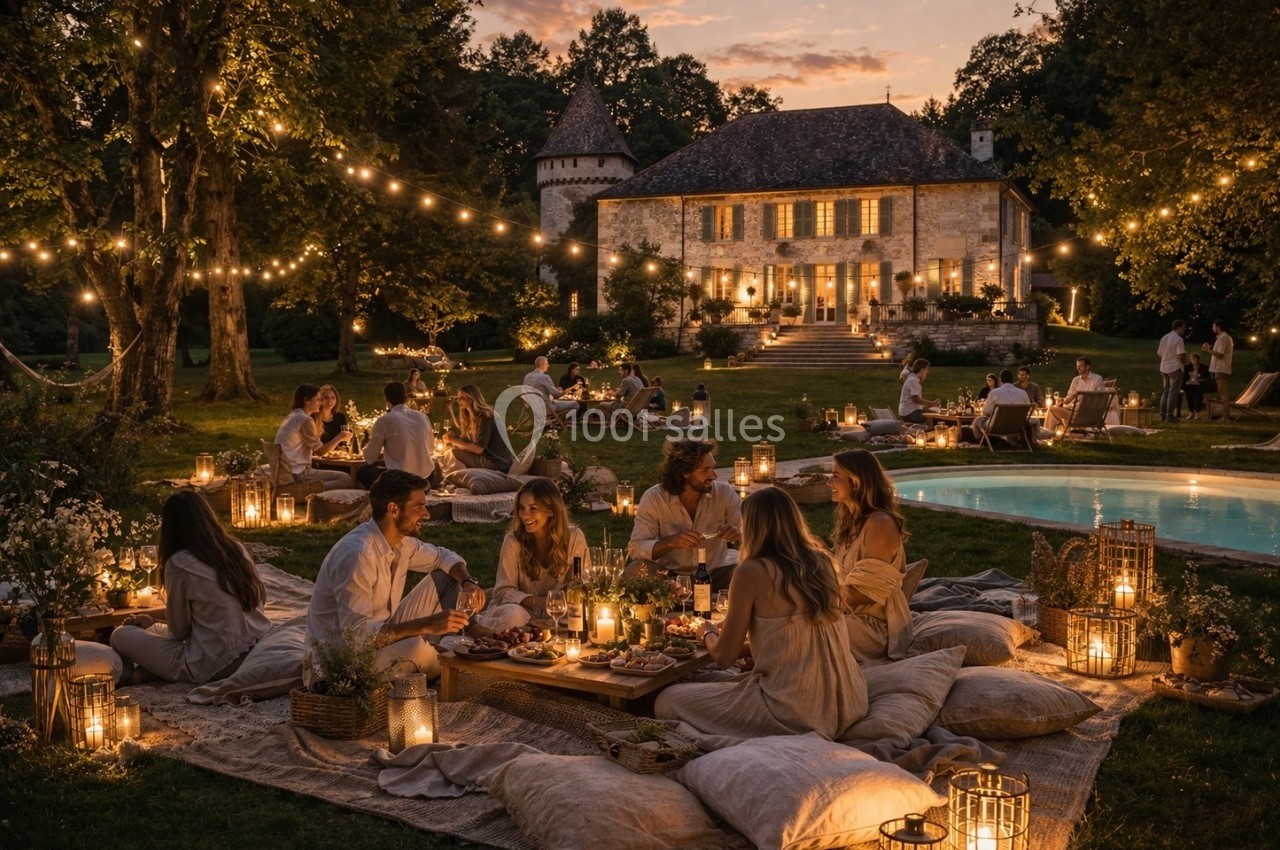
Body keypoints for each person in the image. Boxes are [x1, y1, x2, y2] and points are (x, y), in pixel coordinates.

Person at [654, 488, 867, 739]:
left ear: (752, 526)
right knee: (711, 680)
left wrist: (707, 632)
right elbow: (797, 639)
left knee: (669, 698)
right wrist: (754, 649)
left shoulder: (752, 572)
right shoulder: (822, 563)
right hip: (850, 701)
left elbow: (724, 656)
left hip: (797, 713)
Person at [305, 469, 479, 679]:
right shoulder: (358, 555)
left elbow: (444, 557)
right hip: (342, 661)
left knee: (447, 577)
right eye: (419, 507)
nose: (427, 514)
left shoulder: (401, 543)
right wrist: (425, 625)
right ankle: (454, 663)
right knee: (417, 649)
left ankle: (449, 651)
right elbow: (357, 638)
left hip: (379, 638)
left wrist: (469, 582)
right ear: (393, 509)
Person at [111, 493, 271, 684]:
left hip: (213, 664)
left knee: (121, 634)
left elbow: (180, 632)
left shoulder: (179, 563)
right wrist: (153, 621)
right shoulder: (236, 549)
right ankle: (152, 668)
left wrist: (157, 623)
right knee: (152, 629)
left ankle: (136, 674)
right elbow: (261, 598)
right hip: (256, 647)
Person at [826, 449, 911, 662]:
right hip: (849, 614)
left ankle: (748, 652)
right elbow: (845, 573)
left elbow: (864, 592)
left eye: (836, 476)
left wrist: (813, 599)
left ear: (856, 482)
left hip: (877, 626)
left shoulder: (879, 524)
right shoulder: (852, 521)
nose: (829, 482)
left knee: (807, 627)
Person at [475, 479, 590, 632]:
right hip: (522, 611)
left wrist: (562, 598)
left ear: (551, 510)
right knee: (514, 615)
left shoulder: (574, 537)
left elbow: (583, 583)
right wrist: (540, 602)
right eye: (521, 508)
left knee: (580, 616)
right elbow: (502, 592)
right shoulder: (513, 541)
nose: (525, 515)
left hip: (557, 613)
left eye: (533, 509)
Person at [629, 439, 741, 592]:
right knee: (635, 570)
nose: (713, 476)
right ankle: (668, 599)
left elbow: (748, 529)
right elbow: (636, 547)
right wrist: (671, 542)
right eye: (705, 470)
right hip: (668, 577)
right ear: (685, 473)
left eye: (713, 468)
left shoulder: (723, 493)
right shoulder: (654, 498)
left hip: (714, 574)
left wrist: (737, 532)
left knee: (756, 570)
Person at [357, 381, 439, 489]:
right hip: (427, 477)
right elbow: (430, 447)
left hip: (400, 480)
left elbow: (369, 456)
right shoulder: (422, 417)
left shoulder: (385, 421)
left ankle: (386, 498)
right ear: (405, 397)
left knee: (363, 471)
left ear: (387, 400)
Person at [275, 384, 353, 490]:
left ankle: (309, 488)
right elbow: (320, 451)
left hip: (287, 469)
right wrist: (340, 437)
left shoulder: (293, 416)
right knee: (345, 479)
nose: (320, 403)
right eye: (318, 400)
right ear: (307, 400)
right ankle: (306, 490)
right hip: (296, 472)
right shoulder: (304, 420)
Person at [441, 384, 514, 473]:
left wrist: (454, 441)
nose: (458, 401)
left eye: (462, 398)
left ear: (472, 399)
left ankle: (443, 475)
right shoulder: (470, 416)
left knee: (453, 452)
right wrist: (454, 437)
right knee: (448, 452)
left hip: (497, 463)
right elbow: (467, 442)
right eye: (458, 398)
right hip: (485, 457)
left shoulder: (485, 416)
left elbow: (478, 449)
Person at [1044, 357, 1106, 433]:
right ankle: (1052, 432)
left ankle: (1057, 430)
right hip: (1074, 413)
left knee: (1051, 409)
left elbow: (1101, 398)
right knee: (1052, 411)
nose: (1078, 368)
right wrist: (1062, 400)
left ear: (1088, 367)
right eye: (1077, 366)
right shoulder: (1076, 380)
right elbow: (1069, 398)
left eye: (1080, 366)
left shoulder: (1097, 379)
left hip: (1084, 416)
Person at [973, 369, 1031, 439]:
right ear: (1012, 380)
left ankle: (983, 441)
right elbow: (1028, 409)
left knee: (978, 420)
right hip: (1017, 426)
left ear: (1000, 380)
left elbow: (985, 411)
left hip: (997, 427)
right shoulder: (1023, 393)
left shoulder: (995, 393)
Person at [1157, 319, 1187, 423]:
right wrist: (1184, 361)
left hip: (1164, 367)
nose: (1184, 330)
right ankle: (1169, 415)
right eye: (1183, 327)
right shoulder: (1178, 339)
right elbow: (1180, 355)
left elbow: (1159, 354)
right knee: (1173, 392)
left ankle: (1162, 415)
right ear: (1179, 328)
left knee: (1165, 392)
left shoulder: (1164, 338)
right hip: (1174, 367)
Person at [898, 358, 939, 425]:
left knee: (935, 412)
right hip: (910, 413)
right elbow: (916, 399)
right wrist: (931, 403)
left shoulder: (913, 378)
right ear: (922, 370)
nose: (927, 372)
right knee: (934, 417)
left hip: (909, 411)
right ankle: (928, 431)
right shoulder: (913, 380)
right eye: (927, 370)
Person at [1203, 319, 1234, 406]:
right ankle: (1224, 415)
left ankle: (1225, 417)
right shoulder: (1222, 338)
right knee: (1221, 391)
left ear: (1218, 327)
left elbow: (1220, 354)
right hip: (1219, 368)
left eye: (1213, 326)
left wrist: (1208, 350)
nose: (1212, 328)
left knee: (1222, 391)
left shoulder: (1223, 338)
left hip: (1221, 368)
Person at [1183, 353, 1211, 419]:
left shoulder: (1204, 367)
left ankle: (1197, 413)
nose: (1194, 360)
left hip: (1198, 385)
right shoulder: (1187, 367)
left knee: (1198, 399)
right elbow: (1184, 377)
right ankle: (1191, 412)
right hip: (1189, 385)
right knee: (1189, 398)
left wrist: (1201, 378)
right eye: (1192, 359)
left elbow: (1208, 377)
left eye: (1195, 359)